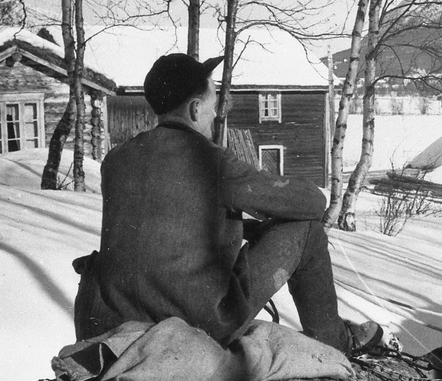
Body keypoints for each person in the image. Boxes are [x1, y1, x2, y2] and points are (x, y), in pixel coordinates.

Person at [73, 52, 383, 356]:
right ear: (195, 110)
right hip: (197, 324)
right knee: (308, 233)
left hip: (116, 319)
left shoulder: (116, 160)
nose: (216, 113)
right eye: (212, 104)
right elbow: (312, 203)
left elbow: (167, 225)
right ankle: (334, 341)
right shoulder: (210, 161)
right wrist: (266, 223)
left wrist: (243, 226)